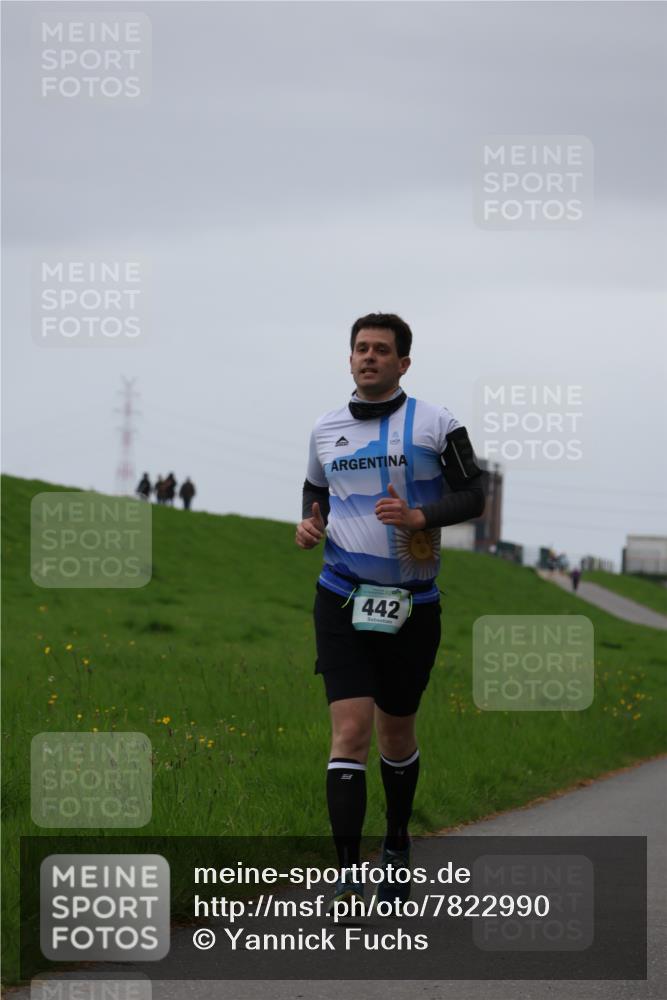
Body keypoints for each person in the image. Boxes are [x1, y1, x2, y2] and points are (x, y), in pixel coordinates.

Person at [295, 313, 485, 915]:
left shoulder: (437, 423)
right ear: (350, 358)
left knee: (395, 734)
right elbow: (315, 489)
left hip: (412, 604)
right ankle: (348, 876)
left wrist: (420, 517)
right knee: (349, 732)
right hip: (341, 595)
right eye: (361, 348)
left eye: (381, 349)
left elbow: (475, 495)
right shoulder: (325, 428)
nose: (369, 356)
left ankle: (397, 843)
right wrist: (310, 522)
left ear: (403, 363)